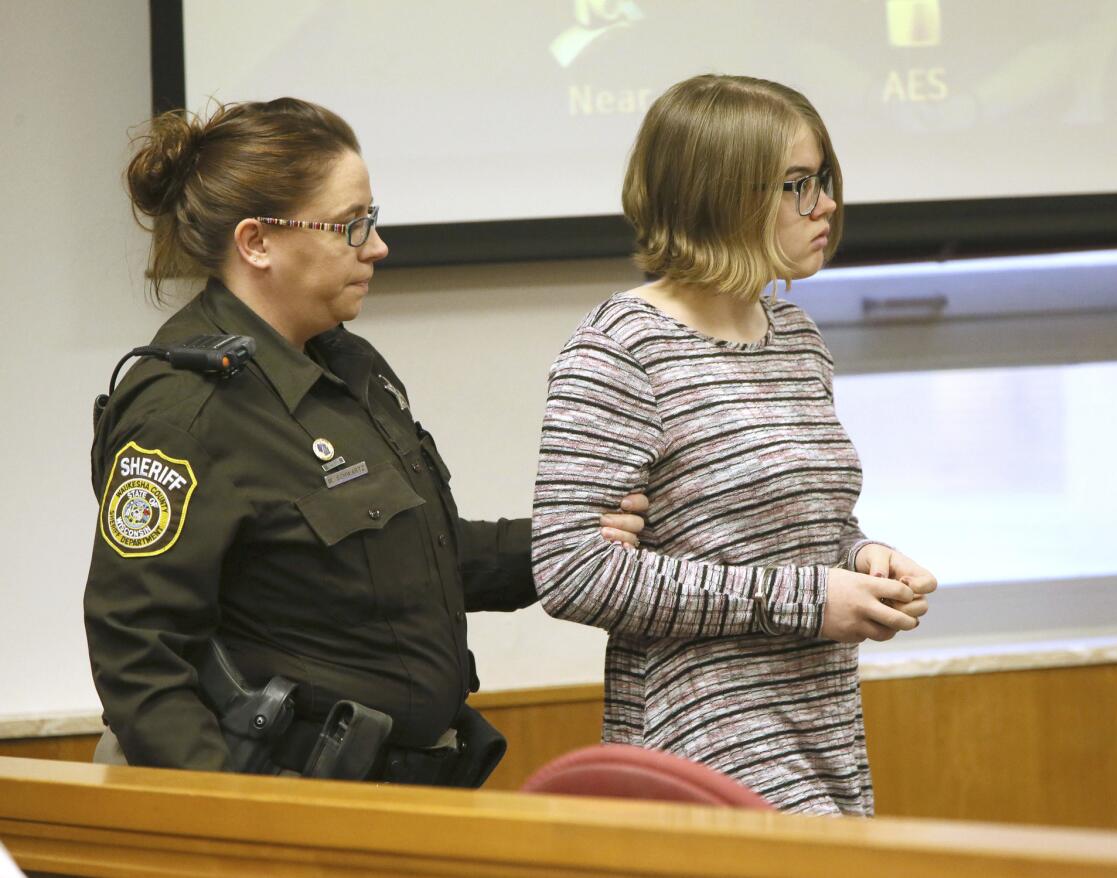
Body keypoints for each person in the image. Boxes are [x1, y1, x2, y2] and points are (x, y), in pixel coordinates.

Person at [84, 97, 648, 784]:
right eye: (350, 226)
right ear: (256, 242)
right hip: (289, 806)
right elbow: (138, 653)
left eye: (370, 220)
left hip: (407, 788)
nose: (377, 246)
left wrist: (564, 541)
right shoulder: (186, 408)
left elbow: (414, 560)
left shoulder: (349, 366)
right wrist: (230, 823)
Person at [531, 74, 938, 814]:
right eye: (796, 185)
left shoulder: (798, 337)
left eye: (823, 180)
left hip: (821, 728)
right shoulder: (621, 347)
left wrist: (858, 557)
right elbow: (572, 573)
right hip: (697, 745)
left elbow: (794, 531)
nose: (825, 205)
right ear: (719, 195)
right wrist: (811, 599)